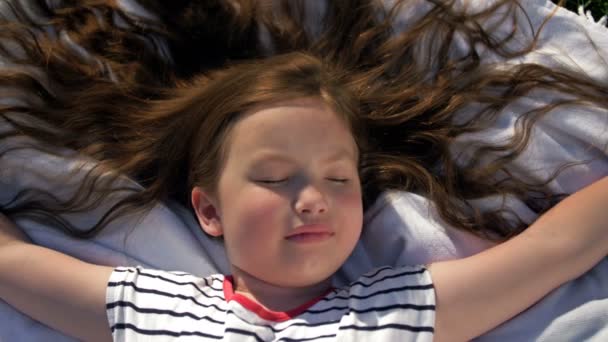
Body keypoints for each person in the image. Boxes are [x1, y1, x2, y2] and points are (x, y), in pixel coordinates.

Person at [1, 51, 608, 342]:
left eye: (338, 179)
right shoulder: (157, 308)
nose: (314, 198)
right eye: (273, 177)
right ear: (209, 210)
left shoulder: (395, 309)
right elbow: (13, 264)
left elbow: (555, 248)